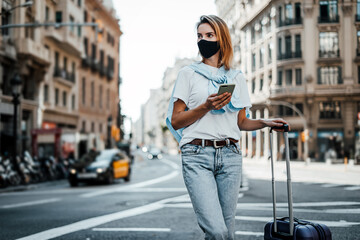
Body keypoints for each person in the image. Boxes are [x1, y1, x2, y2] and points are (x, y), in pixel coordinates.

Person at [166, 15, 290, 240]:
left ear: (221, 39)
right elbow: (176, 120)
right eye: (200, 36)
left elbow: (241, 122)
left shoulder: (236, 77)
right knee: (218, 231)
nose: (203, 40)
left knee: (227, 230)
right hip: (196, 156)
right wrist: (205, 106)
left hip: (230, 156)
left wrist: (264, 122)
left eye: (209, 35)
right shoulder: (188, 74)